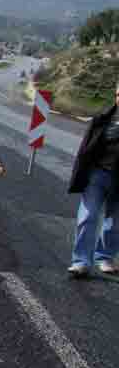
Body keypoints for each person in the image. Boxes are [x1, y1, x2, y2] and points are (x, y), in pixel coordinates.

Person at [67, 82, 119, 278]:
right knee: (88, 216)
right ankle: (81, 262)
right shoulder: (103, 119)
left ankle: (104, 257)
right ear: (115, 95)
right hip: (98, 174)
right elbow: (86, 149)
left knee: (115, 223)